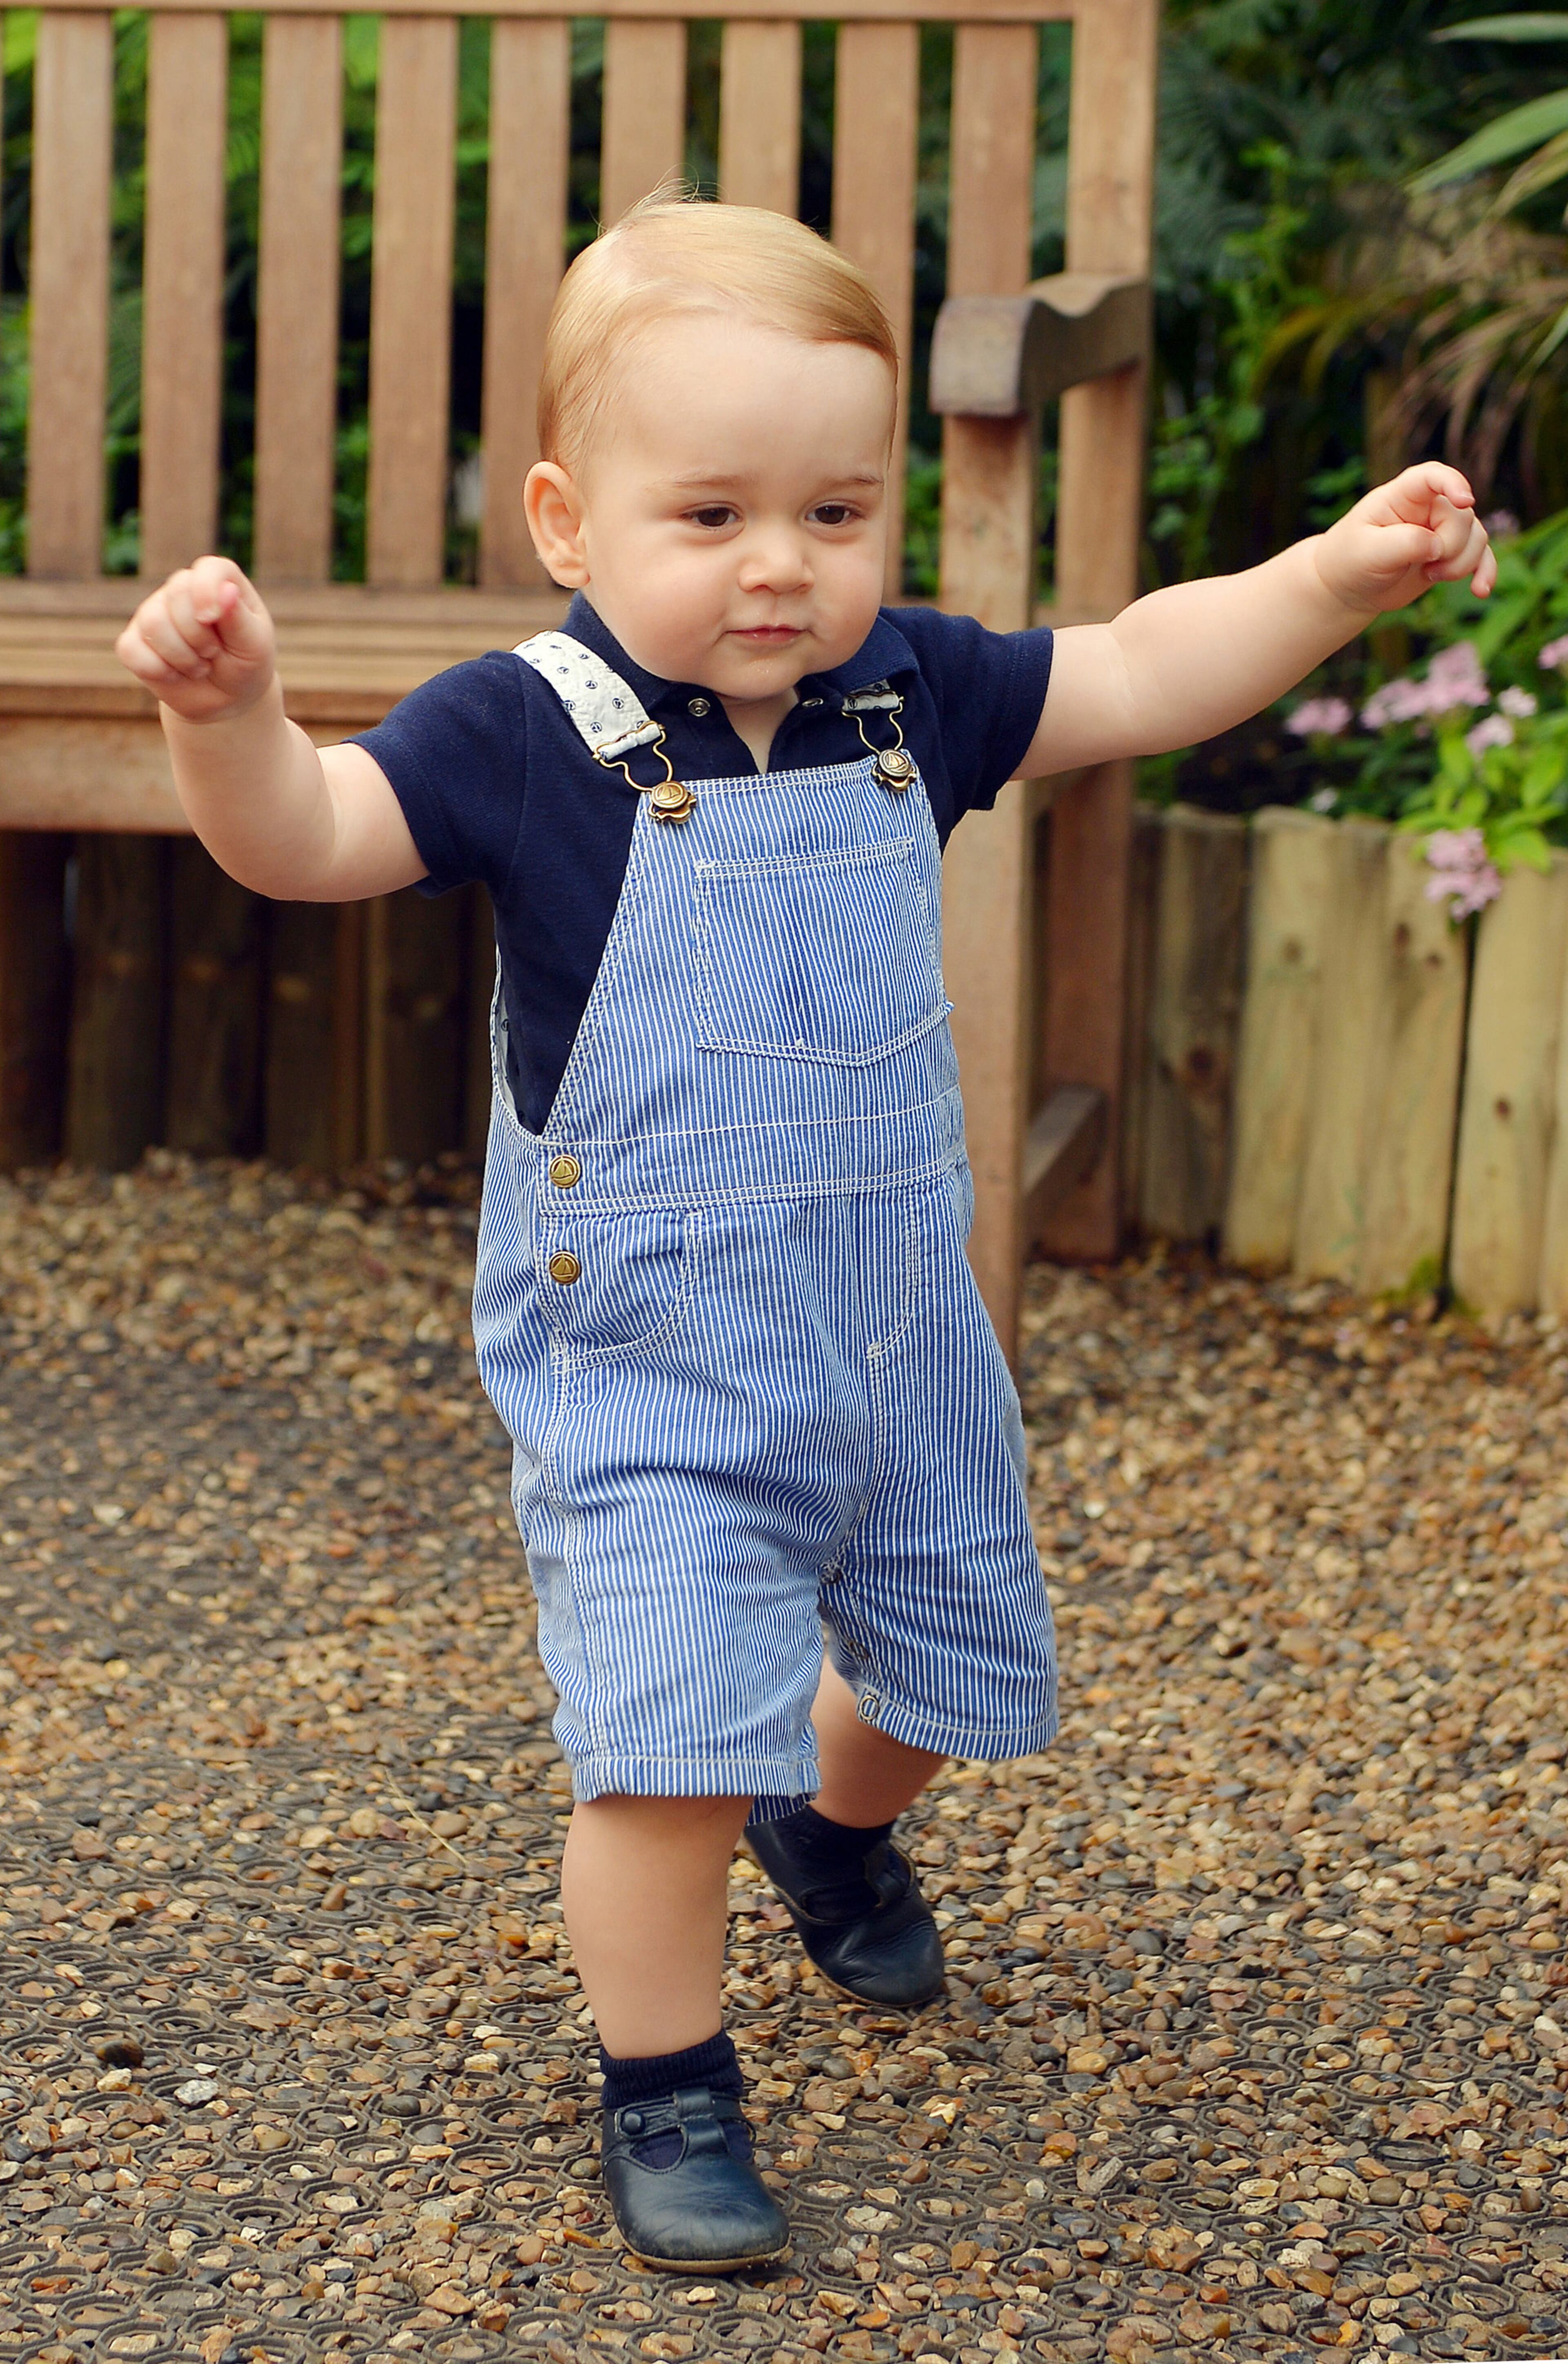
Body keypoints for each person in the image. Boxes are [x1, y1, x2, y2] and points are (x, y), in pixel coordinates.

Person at [114, 196, 1495, 2274]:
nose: (785, 564)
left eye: (837, 511)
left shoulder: (902, 689)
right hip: (654, 1349)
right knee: (668, 1744)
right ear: (568, 522)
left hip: (892, 1316)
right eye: (715, 515)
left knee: (947, 1665)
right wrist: (226, 718)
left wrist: (1328, 576)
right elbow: (305, 839)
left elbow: (1136, 667)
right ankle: (668, 2080)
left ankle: (832, 1826)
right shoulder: (520, 730)